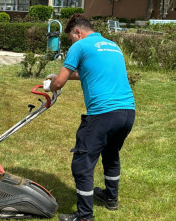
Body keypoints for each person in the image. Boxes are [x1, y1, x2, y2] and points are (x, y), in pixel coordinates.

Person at [43, 14, 135, 221]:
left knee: (82, 164)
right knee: (111, 154)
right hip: (127, 112)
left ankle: (84, 216)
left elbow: (59, 84)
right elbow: (91, 71)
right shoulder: (112, 45)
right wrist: (58, 76)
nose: (72, 43)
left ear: (78, 32)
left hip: (103, 113)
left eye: (71, 39)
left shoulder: (80, 45)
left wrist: (52, 84)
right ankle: (111, 198)